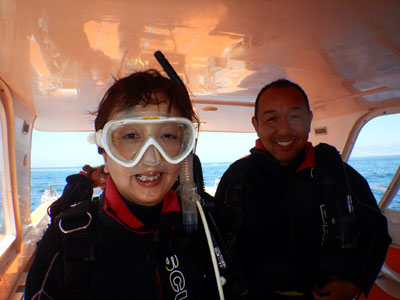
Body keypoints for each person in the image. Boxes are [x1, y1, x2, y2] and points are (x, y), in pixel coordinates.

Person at [25, 69, 222, 300]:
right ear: (105, 155)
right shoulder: (68, 239)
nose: (151, 158)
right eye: (130, 136)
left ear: (185, 149)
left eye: (167, 136)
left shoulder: (208, 227)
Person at [215, 79, 391, 300]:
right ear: (256, 124)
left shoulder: (338, 174)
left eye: (295, 117)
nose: (284, 130)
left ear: (309, 119)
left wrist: (356, 283)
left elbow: (375, 232)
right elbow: (215, 240)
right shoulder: (237, 177)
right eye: (271, 119)